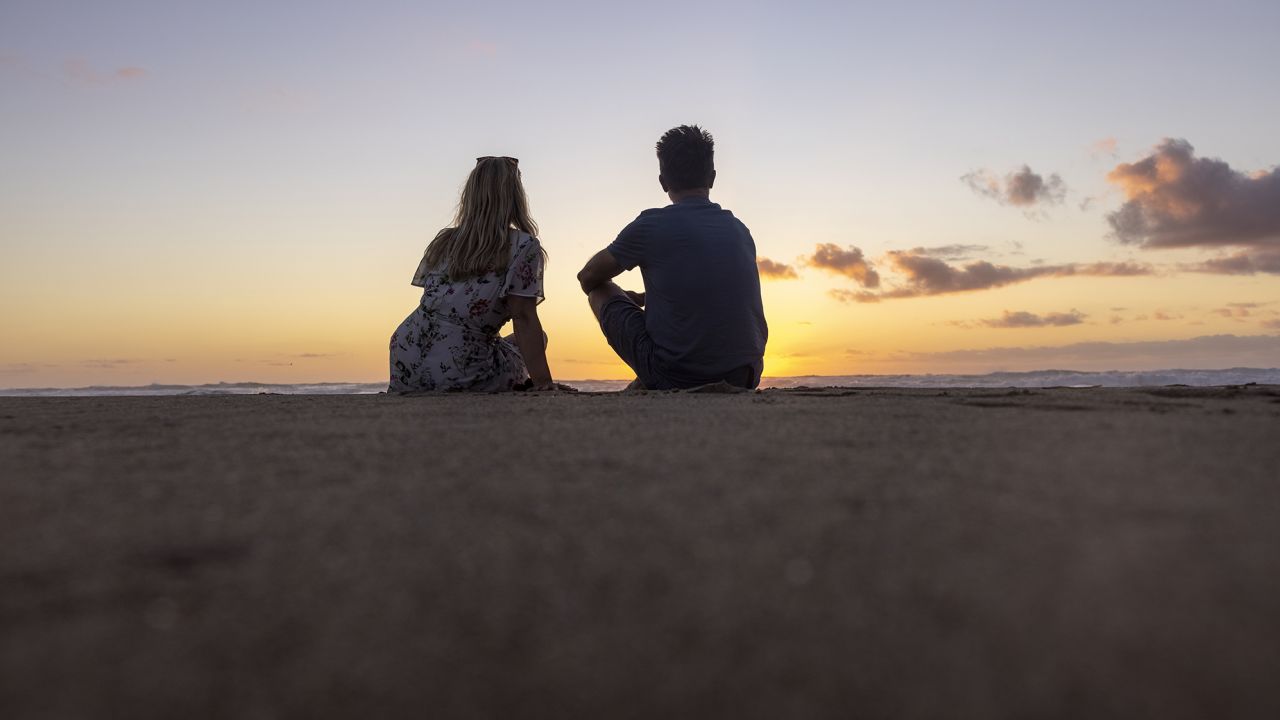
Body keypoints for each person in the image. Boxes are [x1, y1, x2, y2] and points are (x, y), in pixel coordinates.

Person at [576, 125, 768, 389]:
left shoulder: (650, 226)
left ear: (663, 182)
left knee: (600, 289)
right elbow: (709, 287)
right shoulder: (739, 229)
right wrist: (646, 299)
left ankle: (652, 375)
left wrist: (623, 296)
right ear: (712, 178)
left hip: (676, 377)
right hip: (745, 376)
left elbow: (587, 277)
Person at [389, 156, 564, 392]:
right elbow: (523, 316)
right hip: (460, 368)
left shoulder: (444, 240)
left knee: (496, 342)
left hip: (407, 354)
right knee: (539, 337)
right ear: (515, 197)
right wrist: (544, 383)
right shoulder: (522, 246)